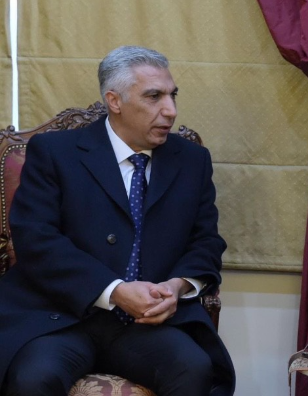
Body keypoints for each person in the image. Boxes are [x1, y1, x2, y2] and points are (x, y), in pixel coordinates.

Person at [0, 46, 235, 395]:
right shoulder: (55, 152)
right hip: (60, 317)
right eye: (154, 97)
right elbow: (36, 240)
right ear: (114, 101)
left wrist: (176, 287)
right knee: (33, 379)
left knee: (195, 369)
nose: (170, 110)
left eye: (172, 95)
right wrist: (114, 291)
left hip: (148, 324)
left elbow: (206, 242)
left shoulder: (191, 160)